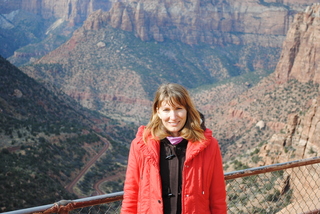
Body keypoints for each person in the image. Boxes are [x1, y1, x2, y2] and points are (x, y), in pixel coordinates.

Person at [121, 83, 227, 214]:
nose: (173, 116)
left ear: (187, 110)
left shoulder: (209, 145)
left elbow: (217, 196)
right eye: (166, 110)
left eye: (178, 108)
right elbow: (131, 194)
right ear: (158, 112)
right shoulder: (141, 145)